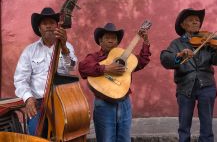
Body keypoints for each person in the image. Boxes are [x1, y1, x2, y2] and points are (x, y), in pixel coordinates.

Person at [160, 8, 217, 142]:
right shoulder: (176, 44)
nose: (196, 22)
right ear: (183, 25)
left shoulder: (207, 42)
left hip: (207, 85)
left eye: (197, 20)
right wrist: (179, 55)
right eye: (191, 20)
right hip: (185, 87)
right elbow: (165, 59)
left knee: (207, 125)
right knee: (184, 125)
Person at [78, 22, 151, 142]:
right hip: (104, 104)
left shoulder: (126, 57)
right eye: (107, 38)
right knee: (106, 139)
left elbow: (142, 61)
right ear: (100, 41)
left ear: (117, 42)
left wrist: (146, 41)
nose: (111, 41)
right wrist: (106, 68)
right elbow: (83, 67)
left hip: (125, 103)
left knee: (124, 139)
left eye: (114, 38)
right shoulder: (94, 57)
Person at [14, 7, 77, 136]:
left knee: (70, 131)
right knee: (36, 133)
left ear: (57, 26)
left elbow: (72, 68)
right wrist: (28, 98)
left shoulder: (67, 46)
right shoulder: (29, 51)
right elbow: (20, 79)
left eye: (52, 23)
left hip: (63, 101)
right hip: (39, 103)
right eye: (44, 23)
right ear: (39, 28)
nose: (48, 26)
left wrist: (64, 47)